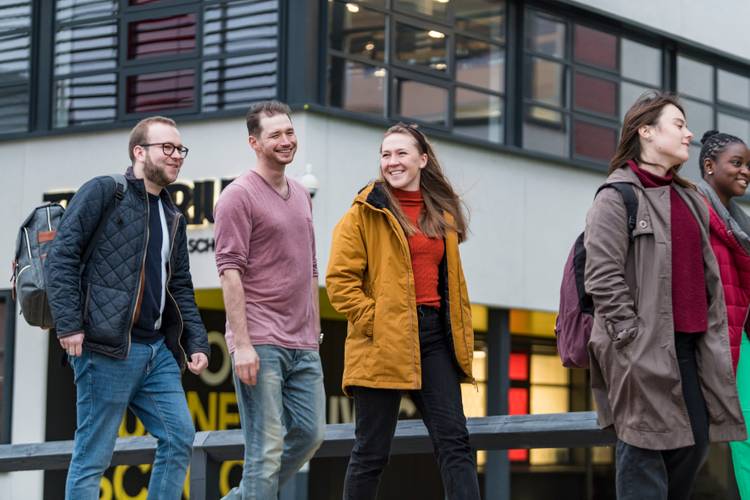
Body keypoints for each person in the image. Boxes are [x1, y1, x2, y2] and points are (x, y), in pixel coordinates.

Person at [583, 91, 746, 500]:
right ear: (647, 132)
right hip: (641, 349)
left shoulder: (690, 197)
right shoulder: (616, 196)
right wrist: (631, 340)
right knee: (643, 457)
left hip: (691, 349)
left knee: (694, 446)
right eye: (679, 124)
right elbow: (602, 277)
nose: (689, 134)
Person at [46, 116, 210, 500]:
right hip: (104, 350)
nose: (176, 156)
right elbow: (62, 257)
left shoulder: (173, 215)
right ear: (140, 152)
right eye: (166, 147)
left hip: (156, 351)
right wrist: (69, 325)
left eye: (180, 149)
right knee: (93, 456)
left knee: (179, 436)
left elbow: (180, 285)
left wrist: (196, 342)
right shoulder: (106, 191)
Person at [326, 122, 480, 500]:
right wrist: (377, 320)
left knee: (455, 442)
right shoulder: (363, 213)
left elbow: (450, 284)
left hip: (434, 340)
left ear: (422, 160)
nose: (392, 162)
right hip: (382, 340)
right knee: (371, 452)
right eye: (386, 154)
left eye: (401, 153)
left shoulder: (441, 214)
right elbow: (339, 282)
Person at [213, 100, 325, 499]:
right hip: (260, 339)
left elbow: (310, 267)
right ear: (254, 142)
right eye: (275, 135)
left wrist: (313, 330)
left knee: (311, 435)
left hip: (302, 341)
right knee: (265, 449)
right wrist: (241, 344)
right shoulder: (236, 197)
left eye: (290, 132)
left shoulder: (300, 194)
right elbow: (229, 273)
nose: (286, 141)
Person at [695, 130, 750, 498]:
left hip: (741, 336)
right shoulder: (694, 209)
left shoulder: (740, 223)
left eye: (748, 165)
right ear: (709, 166)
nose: (746, 171)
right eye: (738, 163)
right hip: (710, 341)